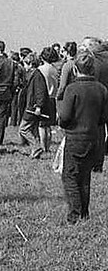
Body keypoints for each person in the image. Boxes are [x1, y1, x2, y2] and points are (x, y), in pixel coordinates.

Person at [56, 51, 108, 223]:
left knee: (70, 176)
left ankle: (75, 215)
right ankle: (84, 213)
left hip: (75, 137)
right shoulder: (102, 89)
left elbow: (64, 117)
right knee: (85, 177)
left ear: (75, 70)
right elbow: (104, 117)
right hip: (94, 137)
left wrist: (62, 122)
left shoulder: (72, 89)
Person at [18, 52, 56, 159]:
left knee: (23, 129)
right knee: (33, 129)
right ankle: (35, 150)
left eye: (25, 64)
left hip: (33, 107)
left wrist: (38, 106)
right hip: (33, 105)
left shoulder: (37, 75)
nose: (24, 67)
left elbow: (40, 91)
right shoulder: (35, 74)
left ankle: (36, 146)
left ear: (30, 64)